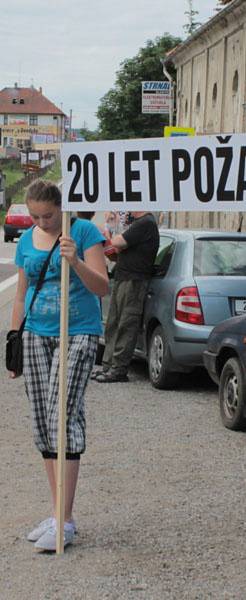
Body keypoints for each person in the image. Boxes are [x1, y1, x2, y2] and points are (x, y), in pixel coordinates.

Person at [8, 179, 109, 552]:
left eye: (47, 215)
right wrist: (13, 341)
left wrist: (75, 260)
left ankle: (65, 521)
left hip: (78, 332)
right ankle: (55, 511)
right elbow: (21, 295)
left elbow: (102, 288)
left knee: (61, 417)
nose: (41, 221)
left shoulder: (82, 231)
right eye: (34, 216)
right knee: (42, 423)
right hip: (36, 333)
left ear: (61, 208)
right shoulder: (26, 240)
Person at [92, 211, 159, 383]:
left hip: (135, 280)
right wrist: (112, 229)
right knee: (113, 323)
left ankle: (119, 369)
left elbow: (118, 242)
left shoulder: (146, 223)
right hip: (123, 277)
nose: (125, 211)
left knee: (126, 324)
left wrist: (107, 231)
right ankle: (108, 365)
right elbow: (116, 248)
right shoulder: (137, 224)